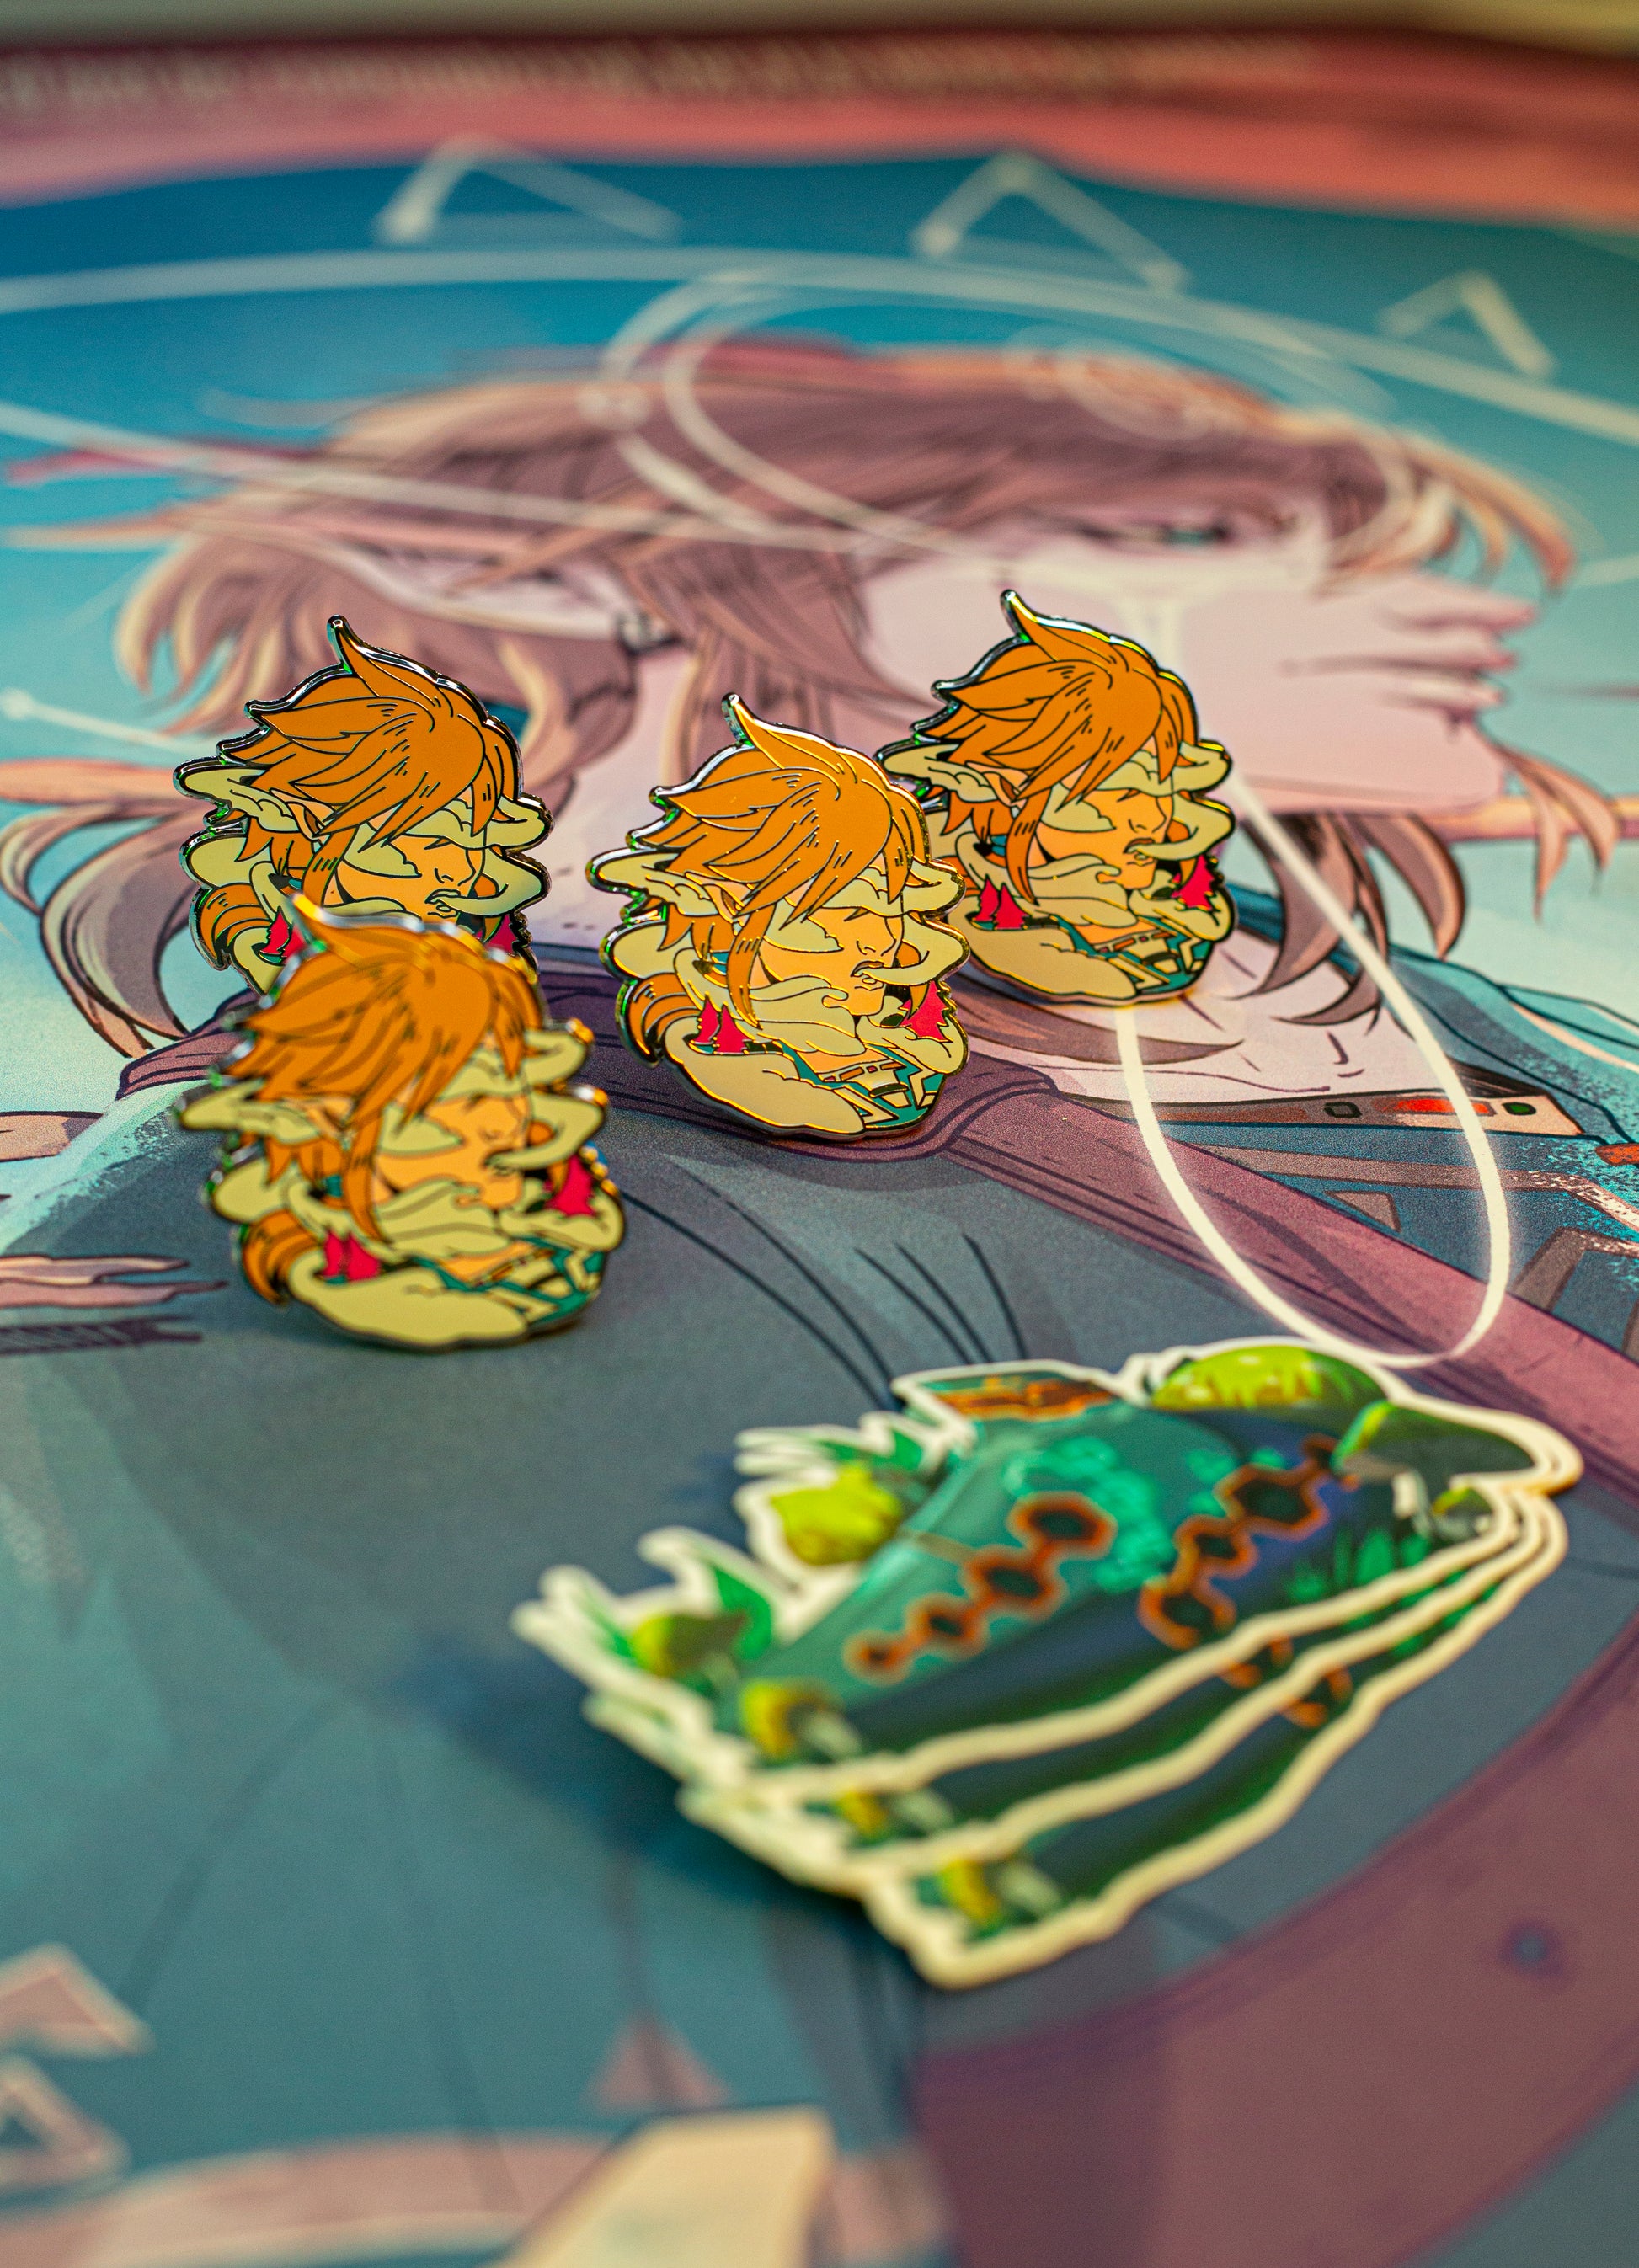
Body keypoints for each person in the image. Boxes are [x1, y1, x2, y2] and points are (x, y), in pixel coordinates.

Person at [179, 906, 622, 1348]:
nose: (507, 1122)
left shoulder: (555, 1213)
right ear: (333, 1114)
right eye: (467, 1098)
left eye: (514, 1087)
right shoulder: (331, 1248)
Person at [595, 695, 967, 1136]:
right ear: (730, 901)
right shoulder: (704, 1029)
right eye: (850, 913)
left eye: (893, 912)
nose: (883, 942)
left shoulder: (906, 1036)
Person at [880, 591, 1235, 1004]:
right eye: (1125, 794)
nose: (1154, 820)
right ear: (1008, 785)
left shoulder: (1174, 902)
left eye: (1165, 790)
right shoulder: (945, 890)